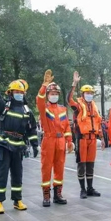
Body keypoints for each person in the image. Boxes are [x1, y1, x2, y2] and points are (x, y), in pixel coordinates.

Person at [0, 62, 39, 213]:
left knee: (17, 174)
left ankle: (17, 200)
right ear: (10, 93)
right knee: (1, 173)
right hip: (3, 144)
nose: (19, 94)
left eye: (21, 92)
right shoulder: (3, 106)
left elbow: (32, 129)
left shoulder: (27, 111)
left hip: (18, 146)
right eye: (16, 91)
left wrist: (35, 144)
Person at [37, 69, 74, 207]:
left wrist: (69, 141)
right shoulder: (44, 108)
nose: (54, 96)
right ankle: (46, 195)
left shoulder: (63, 109)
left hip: (60, 141)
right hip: (49, 140)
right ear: (48, 95)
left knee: (60, 167)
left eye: (56, 94)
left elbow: (67, 126)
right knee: (46, 167)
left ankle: (58, 194)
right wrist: (44, 85)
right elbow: (39, 99)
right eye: (52, 94)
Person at [67, 72, 103, 198]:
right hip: (82, 139)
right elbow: (69, 100)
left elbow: (98, 122)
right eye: (87, 93)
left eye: (91, 93)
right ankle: (82, 189)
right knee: (81, 164)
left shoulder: (94, 107)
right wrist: (74, 84)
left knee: (90, 164)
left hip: (92, 139)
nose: (89, 95)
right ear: (82, 94)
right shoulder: (78, 106)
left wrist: (102, 138)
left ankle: (90, 188)